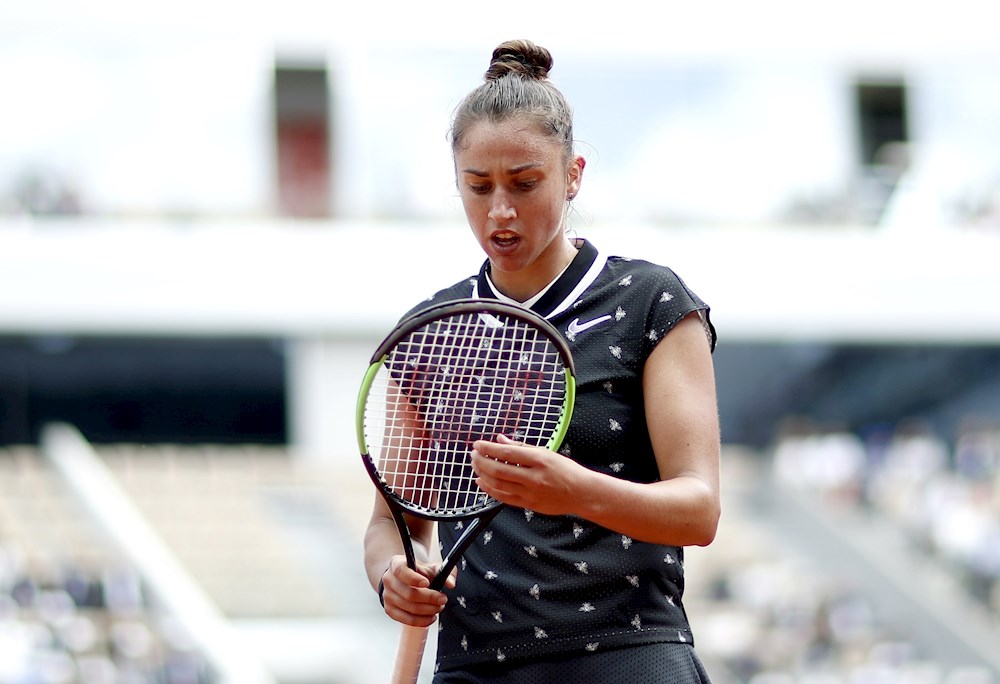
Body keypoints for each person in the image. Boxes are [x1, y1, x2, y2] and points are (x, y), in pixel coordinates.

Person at [364, 39, 720, 683]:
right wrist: (394, 573)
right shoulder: (426, 330)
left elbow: (698, 510)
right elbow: (394, 525)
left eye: (525, 184)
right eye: (477, 187)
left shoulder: (650, 300)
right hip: (475, 663)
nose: (500, 210)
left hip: (629, 655)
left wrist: (573, 490)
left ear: (573, 174)